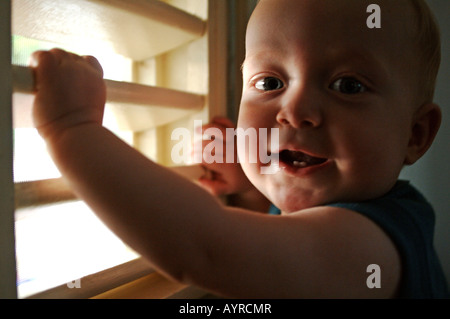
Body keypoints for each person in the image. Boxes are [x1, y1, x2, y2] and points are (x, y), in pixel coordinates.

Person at [30, 0, 448, 298]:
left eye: (348, 86)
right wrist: (250, 190)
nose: (296, 111)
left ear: (415, 134)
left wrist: (74, 130)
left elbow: (208, 249)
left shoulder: (372, 246)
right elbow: (279, 248)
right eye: (270, 83)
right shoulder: (328, 215)